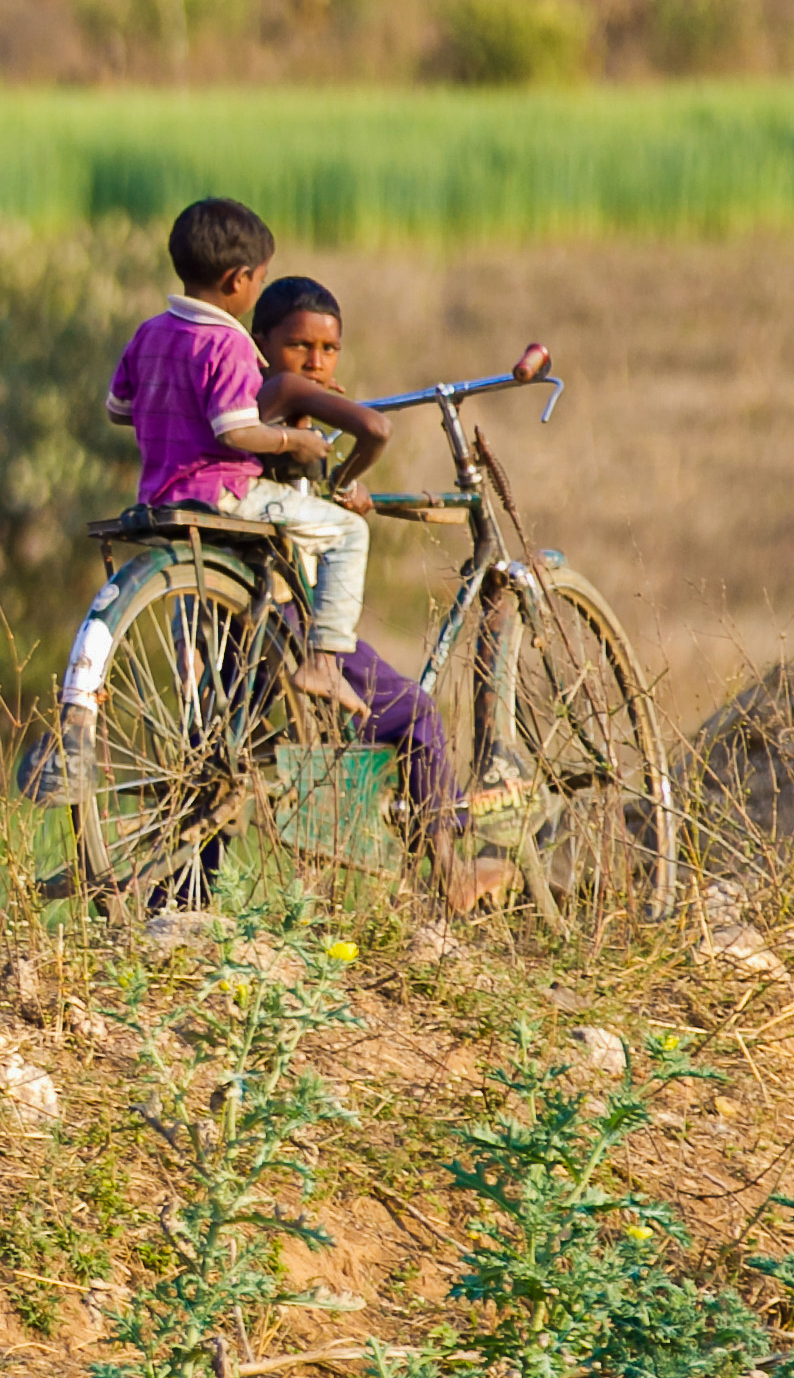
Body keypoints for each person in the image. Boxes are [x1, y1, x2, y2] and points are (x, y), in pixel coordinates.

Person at [249, 274, 519, 911]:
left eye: (329, 350)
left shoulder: (262, 410)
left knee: (229, 760)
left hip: (252, 627)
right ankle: (452, 873)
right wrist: (344, 471)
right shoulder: (276, 403)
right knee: (422, 717)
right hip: (290, 623)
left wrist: (335, 486)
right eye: (300, 348)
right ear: (262, 345)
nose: (316, 362)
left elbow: (292, 503)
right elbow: (370, 432)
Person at [99, 197, 373, 708]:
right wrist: (297, 440)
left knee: (198, 597)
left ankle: (195, 691)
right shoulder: (229, 343)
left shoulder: (150, 333)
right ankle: (323, 661)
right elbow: (236, 432)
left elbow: (118, 409)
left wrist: (169, 408)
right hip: (225, 492)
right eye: (259, 279)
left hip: (161, 494)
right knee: (347, 531)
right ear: (237, 280)